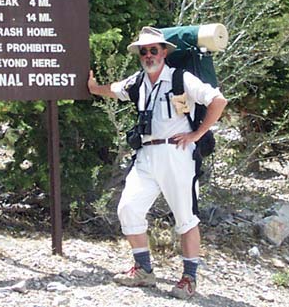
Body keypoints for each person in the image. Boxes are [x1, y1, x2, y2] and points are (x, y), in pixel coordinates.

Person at [88, 26, 227, 299]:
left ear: (164, 52)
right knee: (128, 208)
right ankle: (143, 270)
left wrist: (196, 134)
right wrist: (93, 88)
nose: (149, 55)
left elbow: (218, 101)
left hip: (177, 154)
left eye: (154, 50)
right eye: (144, 51)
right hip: (146, 156)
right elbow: (115, 90)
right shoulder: (138, 82)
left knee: (186, 219)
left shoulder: (181, 79)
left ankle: (189, 279)